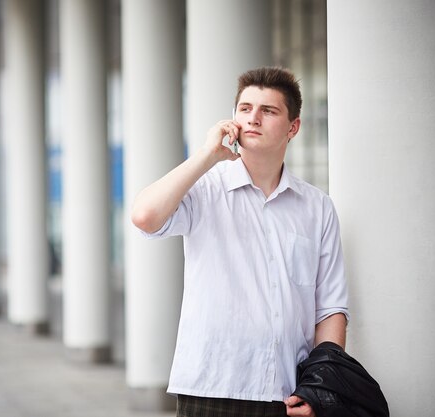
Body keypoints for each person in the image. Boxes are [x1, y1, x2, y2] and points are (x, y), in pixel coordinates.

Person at [131, 66, 349, 417]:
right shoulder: (205, 188)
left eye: (268, 110)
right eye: (245, 109)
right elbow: (145, 217)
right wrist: (206, 155)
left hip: (288, 395)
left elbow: (331, 308)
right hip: (211, 388)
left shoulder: (317, 207)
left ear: (293, 127)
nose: (253, 119)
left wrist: (322, 389)